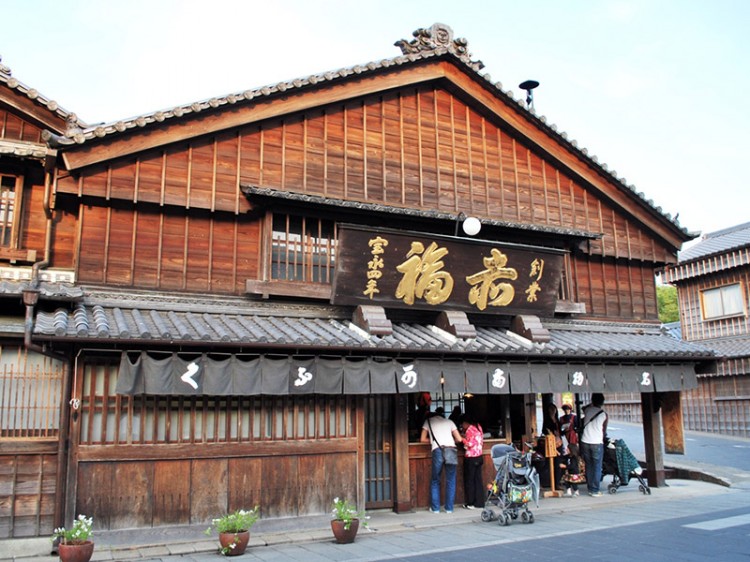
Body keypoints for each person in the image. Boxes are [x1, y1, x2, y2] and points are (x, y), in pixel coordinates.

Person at [421, 409, 463, 513]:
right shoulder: (449, 422)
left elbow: (422, 439)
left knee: (435, 480)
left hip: (438, 450)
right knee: (451, 480)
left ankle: (435, 509)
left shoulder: (428, 422)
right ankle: (449, 508)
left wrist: (432, 440)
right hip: (450, 449)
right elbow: (459, 439)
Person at [580, 393, 608, 497]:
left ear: (592, 400)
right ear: (602, 402)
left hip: (585, 441)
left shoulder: (587, 410)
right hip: (596, 442)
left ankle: (589, 487)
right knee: (597, 466)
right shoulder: (604, 414)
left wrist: (591, 404)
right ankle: (595, 490)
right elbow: (604, 431)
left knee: (589, 465)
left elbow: (583, 407)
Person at [460, 415, 485, 509]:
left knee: (470, 481)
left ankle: (470, 503)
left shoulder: (469, 429)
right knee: (478, 480)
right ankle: (480, 503)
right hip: (479, 456)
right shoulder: (479, 427)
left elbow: (470, 444)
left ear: (466, 423)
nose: (462, 426)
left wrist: (462, 439)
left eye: (462, 424)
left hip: (471, 457)